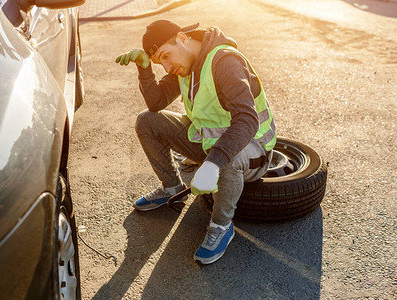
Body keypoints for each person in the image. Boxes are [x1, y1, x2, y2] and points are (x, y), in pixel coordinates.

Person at [115, 20, 276, 264]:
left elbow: (247, 120)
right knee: (147, 121)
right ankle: (172, 187)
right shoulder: (185, 65)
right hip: (210, 144)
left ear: (181, 38)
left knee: (229, 159)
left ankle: (221, 226)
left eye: (166, 56)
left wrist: (212, 164)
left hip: (250, 148)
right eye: (161, 62)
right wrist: (145, 69)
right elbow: (156, 103)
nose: (167, 67)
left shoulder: (224, 62)